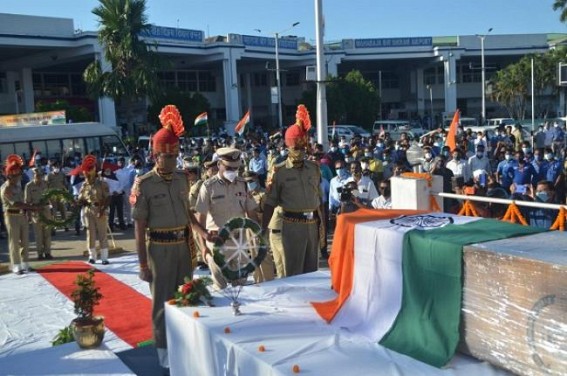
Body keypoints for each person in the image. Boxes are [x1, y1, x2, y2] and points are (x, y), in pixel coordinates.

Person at [131, 105, 208, 374]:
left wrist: (203, 232)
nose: (174, 161)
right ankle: (164, 354)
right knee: (163, 303)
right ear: (156, 155)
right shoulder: (144, 184)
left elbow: (188, 214)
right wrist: (142, 264)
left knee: (186, 298)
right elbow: (139, 228)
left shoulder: (181, 179)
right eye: (168, 156)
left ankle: (186, 346)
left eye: (176, 156)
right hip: (159, 249)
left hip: (182, 247)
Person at [262, 104, 325, 277]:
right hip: (291, 226)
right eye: (296, 149)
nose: (300, 152)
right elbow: (269, 202)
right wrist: (263, 230)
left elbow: (320, 200)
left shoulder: (314, 168)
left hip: (312, 226)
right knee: (291, 273)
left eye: (303, 148)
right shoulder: (279, 171)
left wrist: (323, 229)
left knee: (312, 273)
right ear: (288, 147)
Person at [195, 147, 268, 287]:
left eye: (236, 169)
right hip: (217, 244)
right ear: (219, 165)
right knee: (221, 286)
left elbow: (252, 215)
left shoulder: (243, 185)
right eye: (228, 168)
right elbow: (201, 221)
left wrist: (259, 239)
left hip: (239, 244)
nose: (233, 172)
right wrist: (203, 247)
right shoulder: (209, 187)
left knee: (241, 285)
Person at [1, 155, 37, 274]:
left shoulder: (18, 187)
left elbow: (22, 201)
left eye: (19, 174)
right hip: (11, 216)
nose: (19, 177)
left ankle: (25, 263)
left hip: (22, 216)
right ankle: (16, 265)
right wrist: (32, 207)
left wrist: (28, 209)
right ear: (10, 175)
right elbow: (16, 203)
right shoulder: (6, 188)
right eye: (16, 175)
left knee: (25, 241)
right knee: (14, 242)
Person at [242, 170, 276, 282]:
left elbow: (266, 212)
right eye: (246, 182)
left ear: (256, 179)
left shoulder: (263, 194)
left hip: (260, 226)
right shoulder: (244, 194)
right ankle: (258, 280)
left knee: (264, 256)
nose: (249, 183)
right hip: (248, 229)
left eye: (251, 181)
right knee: (253, 255)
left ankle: (268, 279)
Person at [77, 155, 110, 265]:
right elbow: (80, 198)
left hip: (99, 209)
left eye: (89, 170)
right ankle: (92, 256)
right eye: (86, 171)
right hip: (88, 211)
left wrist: (102, 210)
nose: (87, 173)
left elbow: (107, 198)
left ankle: (104, 257)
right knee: (90, 234)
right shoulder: (84, 185)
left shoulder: (101, 183)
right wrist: (80, 201)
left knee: (102, 234)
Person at [24, 167, 53, 260]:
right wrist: (28, 214)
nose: (39, 177)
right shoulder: (29, 186)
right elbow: (27, 201)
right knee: (38, 234)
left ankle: (47, 252)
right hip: (35, 211)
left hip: (46, 209)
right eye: (37, 175)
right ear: (33, 176)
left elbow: (50, 197)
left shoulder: (45, 184)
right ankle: (40, 254)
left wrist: (52, 209)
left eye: (40, 175)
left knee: (47, 233)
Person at [46, 160, 69, 232]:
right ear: (52, 167)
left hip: (61, 195)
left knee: (63, 211)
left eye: (58, 166)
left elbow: (65, 184)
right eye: (55, 166)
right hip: (52, 196)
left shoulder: (62, 174)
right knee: (53, 212)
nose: (57, 168)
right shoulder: (49, 176)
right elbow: (46, 186)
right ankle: (54, 227)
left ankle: (65, 225)